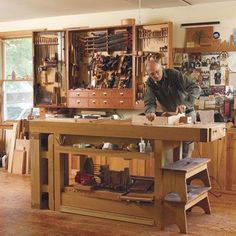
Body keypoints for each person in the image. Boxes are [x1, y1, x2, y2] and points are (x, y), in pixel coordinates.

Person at [144, 60, 201, 158]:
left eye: (157, 72)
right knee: (167, 151)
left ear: (162, 67)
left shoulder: (173, 74)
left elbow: (195, 88)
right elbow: (149, 100)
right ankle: (170, 173)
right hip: (170, 117)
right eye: (152, 74)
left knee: (185, 152)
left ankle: (182, 171)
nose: (156, 76)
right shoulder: (150, 82)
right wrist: (150, 112)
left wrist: (185, 104)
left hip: (186, 114)